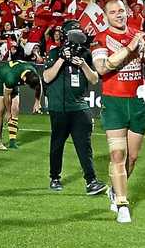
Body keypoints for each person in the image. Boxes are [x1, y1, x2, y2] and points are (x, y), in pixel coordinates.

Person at [91, 0, 145, 223]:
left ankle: (115, 188)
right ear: (106, 16)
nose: (119, 15)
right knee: (117, 155)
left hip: (137, 103)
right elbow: (103, 68)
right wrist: (130, 48)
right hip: (114, 103)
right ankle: (122, 203)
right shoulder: (100, 38)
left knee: (131, 158)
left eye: (121, 11)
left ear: (126, 12)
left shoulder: (139, 34)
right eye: (113, 12)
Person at [42, 20, 106, 195]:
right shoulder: (55, 53)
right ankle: (55, 177)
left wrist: (83, 64)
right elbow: (47, 77)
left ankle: (91, 181)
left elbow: (94, 80)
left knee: (84, 145)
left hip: (79, 106)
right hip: (59, 107)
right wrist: (62, 58)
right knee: (57, 144)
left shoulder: (86, 54)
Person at [0, 58, 43, 150]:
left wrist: (37, 102)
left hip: (14, 77)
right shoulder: (11, 78)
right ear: (24, 79)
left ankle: (12, 141)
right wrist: (8, 112)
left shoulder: (33, 72)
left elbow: (39, 85)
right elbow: (7, 96)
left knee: (15, 108)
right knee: (0, 111)